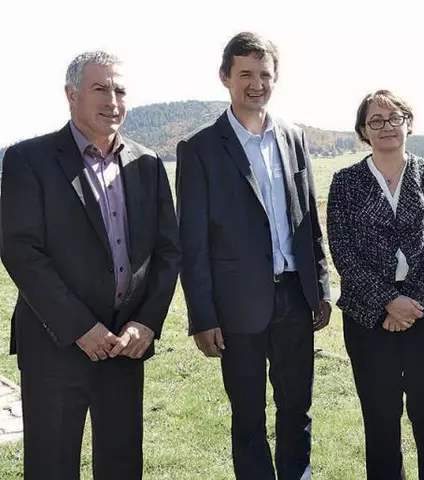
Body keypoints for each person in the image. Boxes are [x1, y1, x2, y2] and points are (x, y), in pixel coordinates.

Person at [0, 50, 181, 480]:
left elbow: (168, 250)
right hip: (56, 343)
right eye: (100, 88)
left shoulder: (148, 163)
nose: (113, 100)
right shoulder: (29, 160)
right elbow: (20, 250)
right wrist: (81, 327)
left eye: (120, 90)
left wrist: (147, 323)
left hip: (125, 343)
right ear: (71, 94)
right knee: (52, 465)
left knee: (121, 465)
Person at [176, 31, 332, 480]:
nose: (256, 83)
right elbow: (193, 242)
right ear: (226, 78)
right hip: (237, 308)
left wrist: (319, 287)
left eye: (265, 74)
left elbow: (308, 222)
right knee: (248, 417)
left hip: (296, 301)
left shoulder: (293, 138)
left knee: (297, 408)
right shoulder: (200, 148)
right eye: (245, 74)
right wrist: (202, 317)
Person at [326, 89, 424, 480]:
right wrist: (387, 301)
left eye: (394, 117)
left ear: (408, 123)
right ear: (363, 132)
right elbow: (342, 251)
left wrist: (411, 302)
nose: (386, 127)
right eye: (375, 121)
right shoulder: (345, 182)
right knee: (381, 421)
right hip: (369, 319)